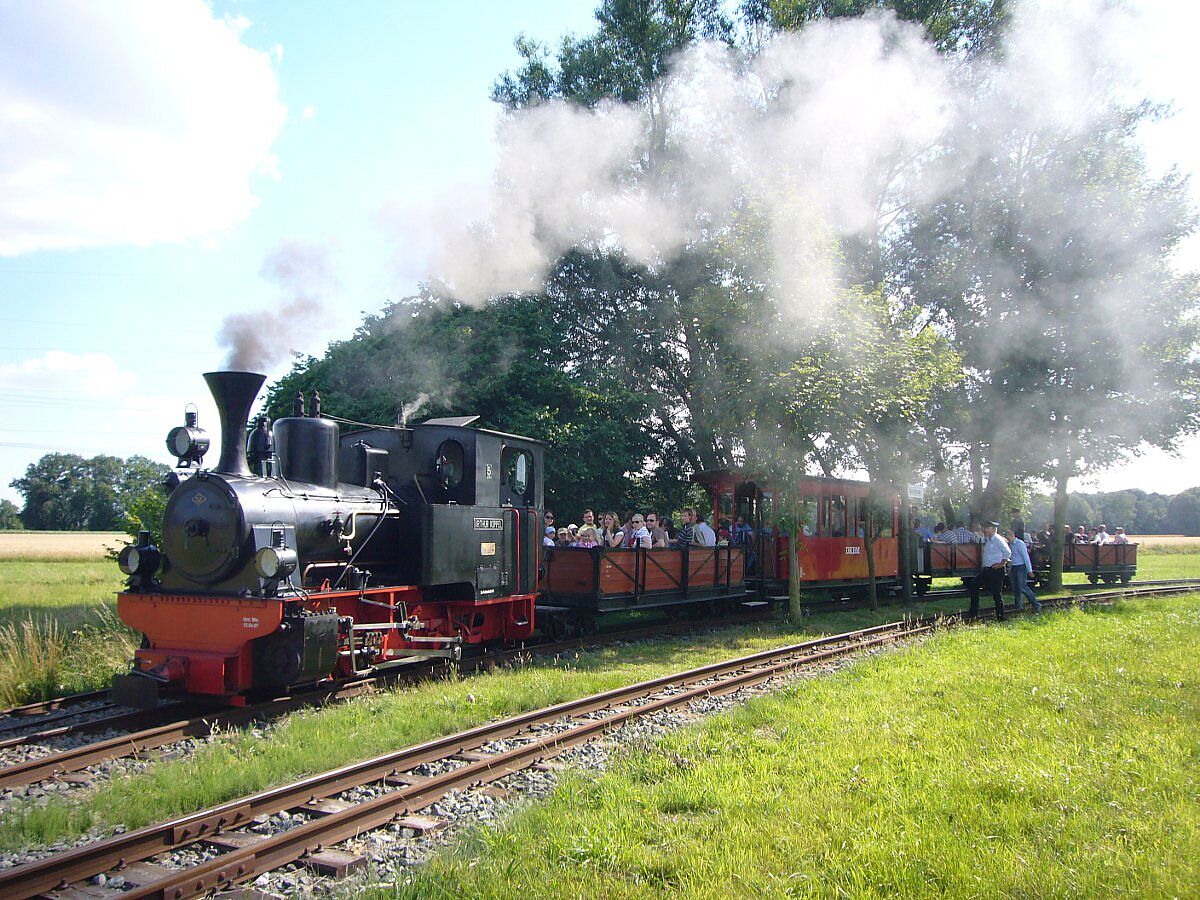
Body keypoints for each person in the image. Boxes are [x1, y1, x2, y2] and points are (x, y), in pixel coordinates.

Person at [969, 521, 1011, 621]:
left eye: (988, 528)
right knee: (974, 585)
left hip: (996, 570)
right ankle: (974, 612)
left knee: (996, 594)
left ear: (993, 529)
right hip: (987, 570)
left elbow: (1008, 552)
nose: (986, 530)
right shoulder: (989, 539)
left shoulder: (998, 540)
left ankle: (1000, 617)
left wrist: (1001, 563)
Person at [1006, 529, 1041, 612]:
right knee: (1015, 588)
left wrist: (1029, 570)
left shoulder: (1020, 544)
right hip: (1014, 567)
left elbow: (1026, 557)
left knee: (1022, 587)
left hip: (1021, 567)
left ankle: (1036, 604)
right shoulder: (1010, 544)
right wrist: (1009, 568)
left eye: (1008, 537)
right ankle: (1018, 607)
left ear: (1012, 535)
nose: (1008, 540)